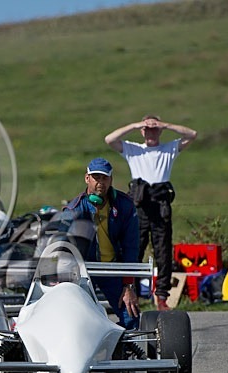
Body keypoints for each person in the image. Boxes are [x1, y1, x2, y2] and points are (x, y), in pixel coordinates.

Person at [105, 115, 197, 311]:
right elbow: (109, 139)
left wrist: (166, 125)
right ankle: (132, 293)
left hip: (160, 204)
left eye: (155, 129)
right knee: (133, 250)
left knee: (163, 252)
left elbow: (192, 134)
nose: (151, 133)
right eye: (147, 129)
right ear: (142, 131)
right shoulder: (133, 149)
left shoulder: (169, 149)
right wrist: (135, 125)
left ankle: (161, 296)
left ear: (160, 130)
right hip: (138, 204)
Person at [64, 158, 140, 329]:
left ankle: (121, 344)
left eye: (104, 178)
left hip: (113, 269)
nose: (100, 182)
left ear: (111, 180)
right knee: (77, 319)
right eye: (96, 177)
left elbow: (131, 247)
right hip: (84, 273)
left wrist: (128, 285)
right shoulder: (74, 209)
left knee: (131, 316)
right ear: (87, 179)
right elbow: (63, 248)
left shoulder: (125, 206)